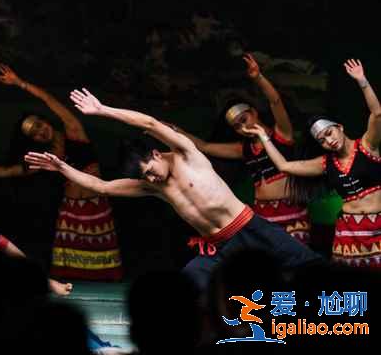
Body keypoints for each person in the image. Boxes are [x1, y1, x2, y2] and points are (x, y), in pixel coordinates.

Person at [24, 88, 321, 291]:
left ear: (155, 154)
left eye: (150, 172)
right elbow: (101, 185)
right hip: (220, 247)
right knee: (191, 282)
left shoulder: (186, 153)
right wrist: (62, 168)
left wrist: (102, 109)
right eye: (146, 179)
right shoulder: (155, 188)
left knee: (309, 266)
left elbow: (150, 122)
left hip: (249, 227)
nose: (151, 179)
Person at [0, 64, 123, 281]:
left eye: (39, 125)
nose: (40, 132)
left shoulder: (74, 131)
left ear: (45, 120)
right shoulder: (44, 157)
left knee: (105, 273)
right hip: (70, 215)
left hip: (97, 211)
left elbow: (50, 101)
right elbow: (11, 171)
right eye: (35, 134)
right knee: (72, 278)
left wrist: (19, 83)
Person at [247, 58, 381, 268]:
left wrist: (362, 81)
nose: (329, 140)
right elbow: (284, 166)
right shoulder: (325, 163)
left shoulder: (367, 146)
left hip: (378, 228)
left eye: (329, 133)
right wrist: (264, 137)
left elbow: (377, 113)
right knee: (351, 290)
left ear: (340, 127)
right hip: (349, 234)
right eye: (323, 140)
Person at [176, 54, 310, 244]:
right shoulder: (244, 149)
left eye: (244, 120)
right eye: (237, 127)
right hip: (263, 213)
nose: (243, 128)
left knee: (295, 263)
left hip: (292, 211)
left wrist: (258, 78)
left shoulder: (281, 135)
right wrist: (176, 131)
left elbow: (276, 102)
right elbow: (203, 146)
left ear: (253, 112)